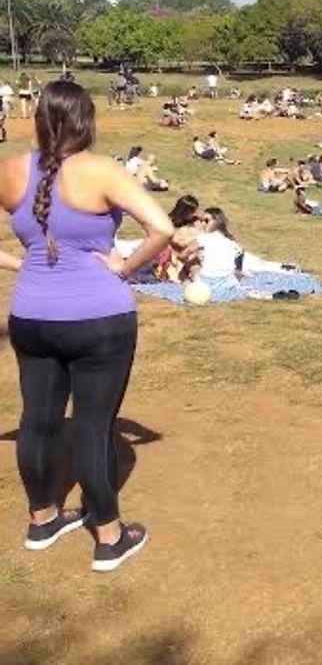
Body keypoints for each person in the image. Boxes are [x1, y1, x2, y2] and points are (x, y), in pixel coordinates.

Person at [0, 80, 173, 572]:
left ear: (39, 120)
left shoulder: (11, 168)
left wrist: (21, 264)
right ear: (87, 121)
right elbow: (161, 229)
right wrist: (123, 267)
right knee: (95, 428)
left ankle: (42, 519)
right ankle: (110, 536)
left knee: (37, 421)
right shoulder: (102, 169)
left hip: (31, 316)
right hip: (98, 319)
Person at [196, 207, 244, 281]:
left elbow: (186, 253)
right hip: (229, 280)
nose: (203, 223)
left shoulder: (203, 238)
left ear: (217, 221)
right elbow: (240, 252)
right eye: (201, 221)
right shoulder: (229, 240)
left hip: (209, 279)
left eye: (206, 221)